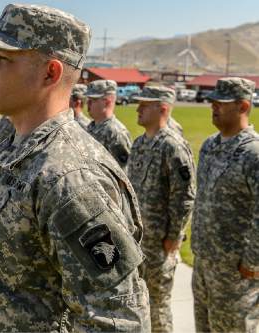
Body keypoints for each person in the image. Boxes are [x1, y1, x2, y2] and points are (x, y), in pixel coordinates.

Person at [0, 4, 150, 332]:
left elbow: (117, 319)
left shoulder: (71, 176)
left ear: (50, 72)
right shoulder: (18, 151)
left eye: (3, 58)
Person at [191, 77, 259, 333]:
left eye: (221, 103)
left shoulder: (253, 152)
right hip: (205, 263)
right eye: (213, 102)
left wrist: (252, 262)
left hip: (236, 273)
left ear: (242, 107)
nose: (214, 107)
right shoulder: (210, 146)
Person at [128, 86, 196, 333]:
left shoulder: (173, 146)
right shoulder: (140, 144)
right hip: (137, 242)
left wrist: (174, 236)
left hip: (158, 244)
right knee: (137, 305)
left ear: (163, 108)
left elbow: (184, 197)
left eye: (145, 105)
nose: (138, 109)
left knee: (157, 309)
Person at [85, 79, 132, 169]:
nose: (88, 103)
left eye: (93, 100)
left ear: (107, 102)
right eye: (88, 99)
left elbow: (123, 173)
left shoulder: (116, 133)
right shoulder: (91, 126)